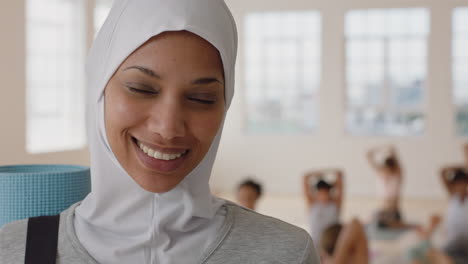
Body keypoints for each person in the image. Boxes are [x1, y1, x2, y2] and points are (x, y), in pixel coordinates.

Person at [0, 1, 319, 263]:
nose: (168, 128)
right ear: (99, 90)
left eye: (201, 98)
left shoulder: (286, 253)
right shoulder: (11, 250)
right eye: (141, 88)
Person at [303, 169, 344, 242]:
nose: (323, 196)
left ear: (329, 192)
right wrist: (320, 174)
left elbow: (339, 174)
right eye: (321, 193)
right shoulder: (312, 204)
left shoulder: (334, 205)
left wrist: (331, 184)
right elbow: (305, 177)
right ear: (317, 193)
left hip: (332, 244)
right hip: (315, 243)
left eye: (325, 192)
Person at [440, 166, 468, 264]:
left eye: (462, 183)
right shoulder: (453, 197)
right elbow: (442, 171)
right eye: (457, 184)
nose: (459, 187)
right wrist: (459, 167)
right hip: (453, 240)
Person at [367, 145, 404, 218]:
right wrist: (380, 149)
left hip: (394, 212)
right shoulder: (380, 174)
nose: (388, 171)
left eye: (390, 169)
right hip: (382, 211)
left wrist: (391, 152)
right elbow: (368, 155)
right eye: (386, 169)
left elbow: (393, 152)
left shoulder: (397, 176)